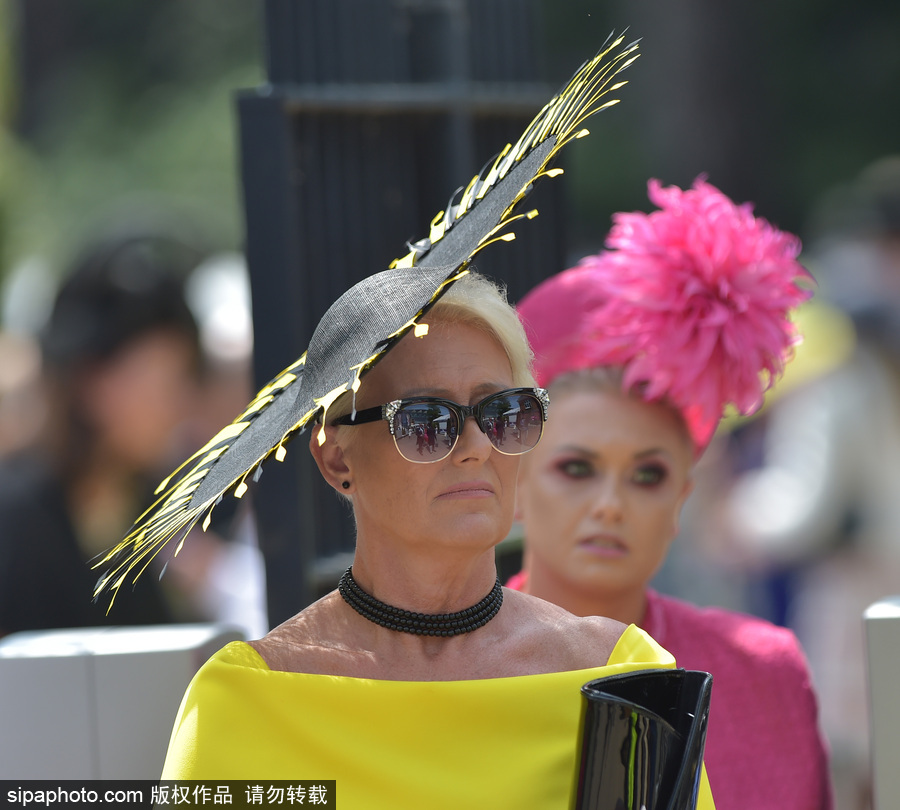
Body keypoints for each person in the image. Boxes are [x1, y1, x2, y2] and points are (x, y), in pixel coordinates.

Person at [94, 39, 717, 808]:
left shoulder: (624, 678)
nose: (476, 448)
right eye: (428, 421)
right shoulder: (249, 701)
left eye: (505, 413)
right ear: (334, 457)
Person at [510, 177, 833, 810]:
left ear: (682, 498)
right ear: (516, 482)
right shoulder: (440, 665)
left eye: (647, 475)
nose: (611, 504)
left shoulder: (764, 672)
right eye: (576, 469)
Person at [0, 229, 214, 634]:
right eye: (163, 382)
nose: (179, 405)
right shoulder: (15, 526)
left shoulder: (147, 517)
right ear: (92, 381)